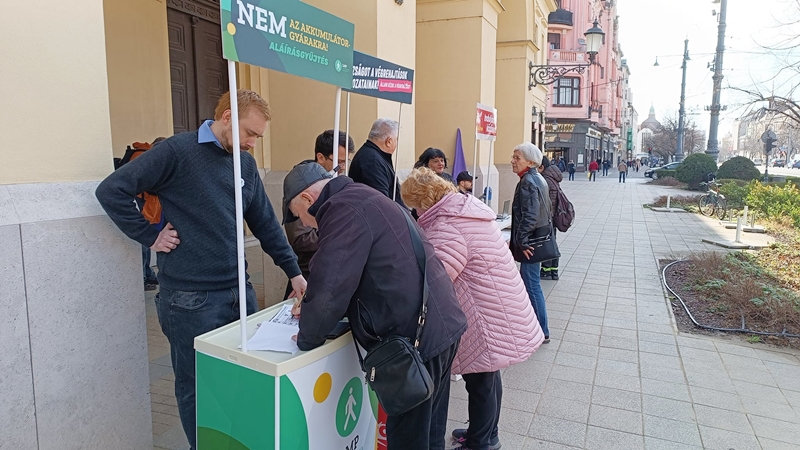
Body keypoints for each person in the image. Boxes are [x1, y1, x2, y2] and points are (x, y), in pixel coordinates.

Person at [95, 90, 306, 450]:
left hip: (240, 292)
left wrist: (295, 272)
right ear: (226, 117)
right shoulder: (177, 151)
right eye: (250, 133)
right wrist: (150, 236)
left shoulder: (245, 164)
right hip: (190, 300)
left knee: (243, 380)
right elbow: (112, 189)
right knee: (196, 387)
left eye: (258, 137)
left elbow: (266, 224)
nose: (253, 143)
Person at [284, 163, 467, 450]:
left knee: (409, 438)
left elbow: (330, 285)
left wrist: (308, 335)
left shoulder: (341, 210)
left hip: (416, 338)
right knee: (429, 432)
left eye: (299, 216)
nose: (305, 224)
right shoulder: (361, 195)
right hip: (440, 323)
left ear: (308, 199)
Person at [401, 168, 544, 450]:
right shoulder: (465, 210)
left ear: (423, 201)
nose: (414, 212)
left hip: (484, 314)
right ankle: (485, 433)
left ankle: (482, 442)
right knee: (487, 377)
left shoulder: (445, 226)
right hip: (496, 304)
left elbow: (437, 279)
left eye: (414, 206)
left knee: (480, 381)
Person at [282, 131, 356, 298]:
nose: (343, 167)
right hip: (308, 269)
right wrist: (338, 235)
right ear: (320, 157)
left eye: (346, 161)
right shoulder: (300, 186)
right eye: (339, 161)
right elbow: (300, 238)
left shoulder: (335, 182)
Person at [510, 143, 550, 343]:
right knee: (531, 284)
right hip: (537, 240)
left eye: (517, 157)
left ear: (531, 162)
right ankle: (536, 329)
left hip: (531, 243)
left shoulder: (528, 181)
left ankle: (541, 331)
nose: (513, 161)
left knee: (532, 285)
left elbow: (531, 215)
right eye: (513, 157)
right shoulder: (537, 178)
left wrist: (523, 241)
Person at [349, 118, 405, 206]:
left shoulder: (374, 156)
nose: (396, 144)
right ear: (389, 141)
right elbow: (380, 201)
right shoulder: (372, 161)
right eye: (396, 139)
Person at [538, 156, 562, 280]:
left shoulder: (545, 180)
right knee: (552, 242)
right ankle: (553, 271)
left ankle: (547, 271)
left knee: (547, 244)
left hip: (548, 217)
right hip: (553, 216)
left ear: (542, 167)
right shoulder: (553, 178)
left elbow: (546, 202)